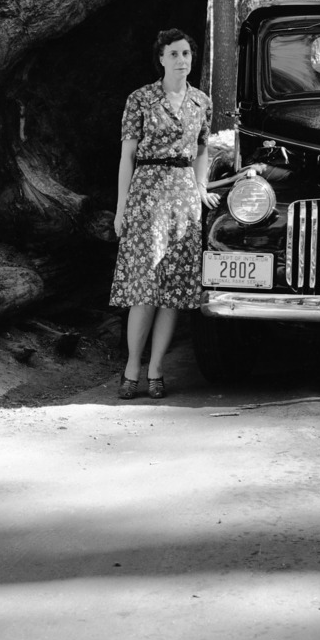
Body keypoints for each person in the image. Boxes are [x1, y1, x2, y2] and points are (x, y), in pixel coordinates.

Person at [110, 28, 211, 399]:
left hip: (183, 199)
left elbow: (202, 150)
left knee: (173, 291)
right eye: (174, 54)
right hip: (147, 195)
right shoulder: (141, 99)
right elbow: (127, 156)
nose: (182, 60)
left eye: (186, 53)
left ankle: (156, 370)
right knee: (144, 286)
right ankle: (132, 367)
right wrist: (121, 207)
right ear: (161, 58)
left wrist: (200, 188)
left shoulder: (202, 101)